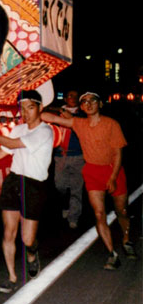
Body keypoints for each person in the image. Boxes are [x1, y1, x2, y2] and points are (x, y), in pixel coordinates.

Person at [0, 90, 53, 293]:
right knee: (9, 233)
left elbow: (11, 144)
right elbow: (0, 153)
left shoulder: (45, 131)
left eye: (30, 107)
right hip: (14, 181)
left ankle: (32, 254)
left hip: (34, 185)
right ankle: (12, 276)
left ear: (40, 108)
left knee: (27, 239)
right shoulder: (18, 128)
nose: (26, 112)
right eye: (23, 108)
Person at [41, 91, 134, 268]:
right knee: (99, 213)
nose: (88, 103)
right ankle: (111, 254)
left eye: (93, 100)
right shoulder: (79, 123)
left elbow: (118, 153)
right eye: (84, 101)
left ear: (100, 104)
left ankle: (127, 239)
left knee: (121, 211)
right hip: (92, 171)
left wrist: (113, 177)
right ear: (81, 107)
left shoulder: (111, 124)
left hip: (113, 170)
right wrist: (37, 108)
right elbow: (53, 119)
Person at [52, 89, 85, 229]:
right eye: (70, 95)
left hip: (77, 155)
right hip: (60, 155)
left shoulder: (83, 114)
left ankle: (73, 217)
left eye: (76, 96)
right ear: (65, 98)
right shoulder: (56, 112)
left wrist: (71, 115)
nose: (73, 98)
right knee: (59, 185)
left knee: (77, 187)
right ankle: (65, 204)